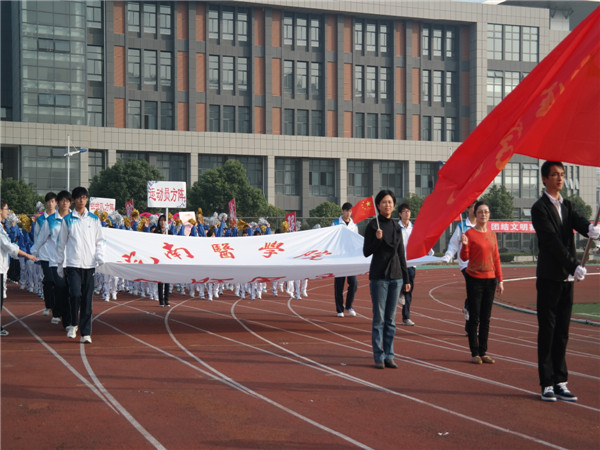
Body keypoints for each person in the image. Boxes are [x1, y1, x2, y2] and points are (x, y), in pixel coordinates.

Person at [531, 161, 599, 402]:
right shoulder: (539, 209)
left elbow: (578, 221)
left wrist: (590, 228)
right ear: (544, 179)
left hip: (567, 279)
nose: (559, 178)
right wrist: (574, 265)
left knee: (562, 332)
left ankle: (561, 381)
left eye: (562, 174)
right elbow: (551, 241)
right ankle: (547, 383)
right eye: (554, 175)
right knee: (548, 331)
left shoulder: (568, 206)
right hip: (549, 277)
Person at [363, 190, 410, 369]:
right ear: (378, 205)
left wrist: (406, 278)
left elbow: (401, 254)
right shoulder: (373, 226)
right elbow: (366, 251)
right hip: (379, 277)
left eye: (390, 202)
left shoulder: (396, 227)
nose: (387, 205)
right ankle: (378, 356)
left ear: (394, 205)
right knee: (379, 319)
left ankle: (389, 355)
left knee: (391, 320)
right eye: (384, 202)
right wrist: (377, 240)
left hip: (396, 277)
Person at [56, 187, 104, 344]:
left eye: (84, 197)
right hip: (73, 264)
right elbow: (61, 244)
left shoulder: (94, 219)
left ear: (87, 200)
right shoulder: (67, 220)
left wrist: (99, 256)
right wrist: (60, 264)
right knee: (75, 294)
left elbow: (99, 241)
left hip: (89, 265)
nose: (82, 200)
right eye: (79, 197)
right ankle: (72, 324)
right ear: (74, 200)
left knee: (87, 300)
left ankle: (86, 333)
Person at [459, 201, 503, 365]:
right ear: (475, 214)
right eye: (480, 212)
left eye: (486, 212)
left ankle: (483, 351)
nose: (483, 214)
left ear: (489, 214)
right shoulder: (469, 234)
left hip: (490, 280)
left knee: (486, 318)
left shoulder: (492, 234)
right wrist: (464, 245)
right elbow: (464, 257)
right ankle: (474, 352)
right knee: (474, 317)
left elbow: (496, 258)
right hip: (474, 280)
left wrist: (500, 280)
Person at [30, 190, 72, 327]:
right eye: (62, 200)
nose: (64, 203)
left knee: (71, 291)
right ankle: (58, 314)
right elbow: (39, 238)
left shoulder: (75, 218)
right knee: (57, 287)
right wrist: (32, 254)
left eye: (67, 200)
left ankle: (67, 317)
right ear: (58, 203)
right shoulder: (48, 220)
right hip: (53, 260)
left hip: (72, 261)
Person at [0, 200, 39, 336]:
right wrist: (27, 255)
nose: (8, 212)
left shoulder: (2, 227)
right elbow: (9, 246)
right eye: (6, 209)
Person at [442, 199, 477, 330]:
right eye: (473, 207)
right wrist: (448, 256)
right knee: (474, 289)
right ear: (468, 209)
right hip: (466, 264)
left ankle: (468, 314)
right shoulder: (462, 227)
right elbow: (453, 245)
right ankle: (469, 316)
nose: (476, 210)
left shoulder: (482, 226)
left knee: (476, 293)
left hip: (479, 264)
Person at [397, 203, 433, 326]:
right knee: (397, 287)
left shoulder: (415, 229)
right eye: (404, 211)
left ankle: (406, 317)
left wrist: (429, 250)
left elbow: (422, 241)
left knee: (408, 290)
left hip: (411, 263)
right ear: (400, 214)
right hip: (398, 263)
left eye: (408, 211)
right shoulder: (396, 228)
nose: (407, 213)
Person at [332, 202, 359, 317]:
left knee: (354, 283)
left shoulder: (354, 225)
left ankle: (349, 305)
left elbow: (356, 240)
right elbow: (332, 239)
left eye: (350, 211)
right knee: (339, 285)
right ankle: (340, 309)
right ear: (343, 211)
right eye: (346, 211)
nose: (348, 213)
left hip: (351, 258)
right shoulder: (335, 223)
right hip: (339, 258)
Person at [154, 214, 171, 307]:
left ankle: (167, 300)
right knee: (160, 281)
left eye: (164, 220)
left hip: (168, 258)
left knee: (167, 280)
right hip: (159, 259)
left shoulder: (170, 232)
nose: (162, 222)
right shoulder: (156, 231)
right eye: (161, 220)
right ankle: (161, 301)